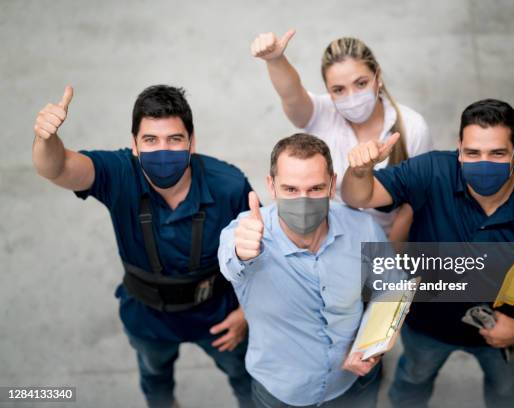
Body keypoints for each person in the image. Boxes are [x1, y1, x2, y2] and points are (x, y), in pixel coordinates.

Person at [340, 99, 514, 407]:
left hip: (501, 332)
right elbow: (361, 196)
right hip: (426, 324)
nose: (483, 163)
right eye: (473, 153)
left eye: (497, 153)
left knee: (506, 393)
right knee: (412, 381)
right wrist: (360, 172)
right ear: (459, 148)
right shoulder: (432, 171)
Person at [32, 85, 254, 408]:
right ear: (134, 145)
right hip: (148, 317)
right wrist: (45, 139)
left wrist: (245, 313)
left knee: (246, 378)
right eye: (150, 140)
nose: (162, 151)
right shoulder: (120, 173)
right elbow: (58, 168)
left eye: (174, 139)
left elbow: (263, 254)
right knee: (155, 381)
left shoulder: (229, 184)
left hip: (219, 313)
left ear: (192, 143)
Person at [218, 133, 384, 407]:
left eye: (316, 189)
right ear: (271, 186)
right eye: (291, 190)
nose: (303, 200)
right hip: (281, 394)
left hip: (353, 385)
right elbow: (231, 263)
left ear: (332, 185)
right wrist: (241, 252)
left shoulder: (364, 229)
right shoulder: (245, 233)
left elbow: (390, 292)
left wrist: (371, 343)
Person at [251, 30, 433, 241]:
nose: (352, 97)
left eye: (361, 83)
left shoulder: (413, 127)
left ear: (378, 77)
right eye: (339, 90)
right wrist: (275, 60)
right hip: (328, 240)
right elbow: (291, 94)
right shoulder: (320, 113)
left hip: (389, 240)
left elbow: (413, 204)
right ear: (328, 91)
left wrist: (388, 258)